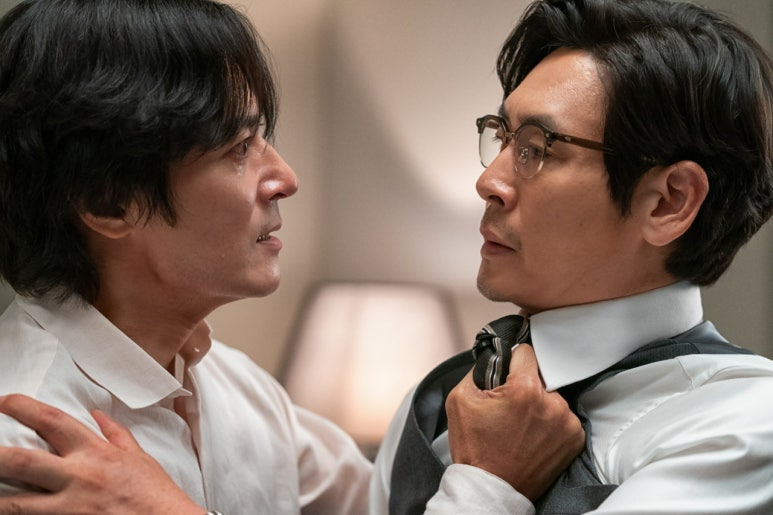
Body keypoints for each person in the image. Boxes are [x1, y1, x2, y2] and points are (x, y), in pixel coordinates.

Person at [0, 0, 583, 513]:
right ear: (107, 201)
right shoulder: (24, 442)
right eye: (238, 147)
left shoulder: (234, 386)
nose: (285, 177)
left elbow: (379, 506)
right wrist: (487, 485)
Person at [370, 0, 773, 513]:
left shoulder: (744, 427)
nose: (488, 181)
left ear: (669, 202)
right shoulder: (439, 403)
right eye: (503, 136)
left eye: (537, 147)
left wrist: (484, 485)